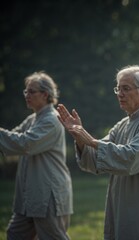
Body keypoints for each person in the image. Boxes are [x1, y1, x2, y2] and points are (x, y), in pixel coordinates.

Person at [57, 65, 139, 240]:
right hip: (124, 208)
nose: (119, 94)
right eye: (118, 88)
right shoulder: (123, 125)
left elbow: (131, 159)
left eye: (126, 89)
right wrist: (80, 138)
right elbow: (94, 160)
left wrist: (90, 140)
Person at [0, 72, 73, 239]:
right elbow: (11, 140)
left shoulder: (52, 120)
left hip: (48, 194)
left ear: (45, 94)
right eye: (26, 91)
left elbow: (25, 143)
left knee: (52, 236)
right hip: (30, 196)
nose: (27, 95)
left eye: (31, 91)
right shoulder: (33, 119)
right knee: (15, 234)